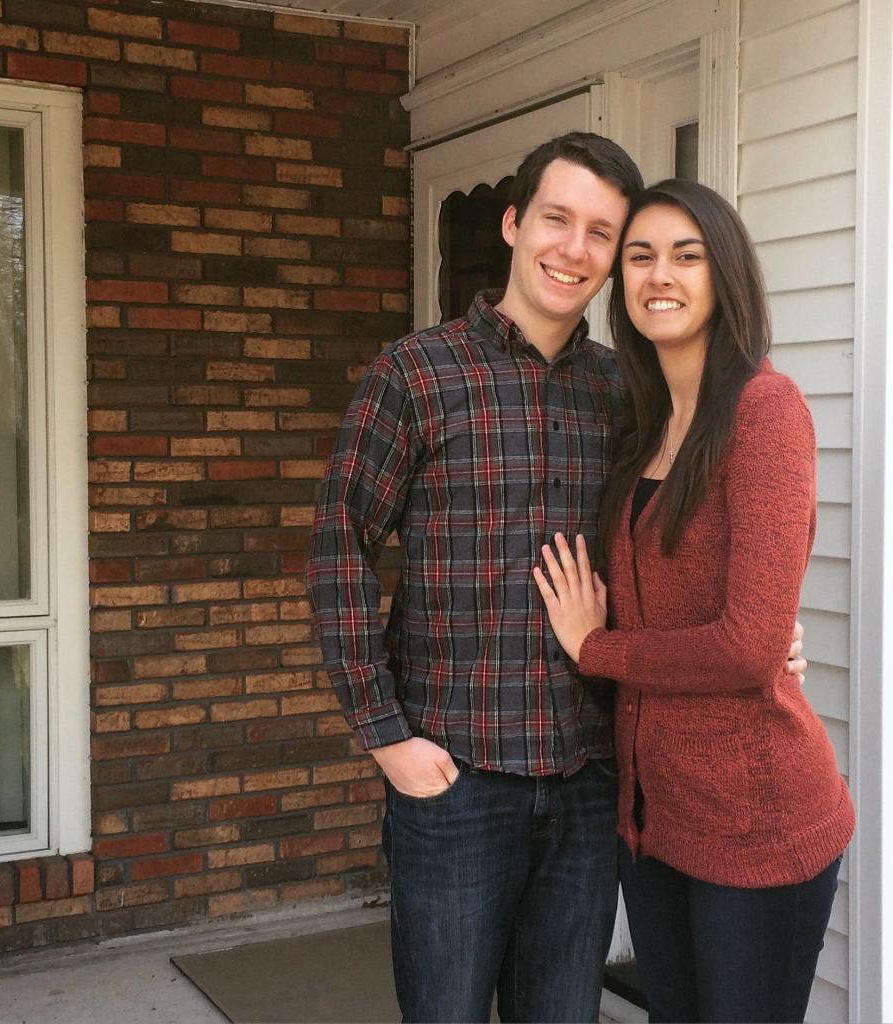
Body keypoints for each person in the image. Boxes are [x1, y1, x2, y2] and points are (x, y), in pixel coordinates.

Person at [306, 134, 806, 1024]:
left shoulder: (626, 393)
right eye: (556, 220)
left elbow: (672, 546)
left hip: (588, 779)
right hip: (455, 777)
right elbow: (338, 546)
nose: (574, 249)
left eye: (601, 233)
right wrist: (385, 735)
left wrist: (762, 637)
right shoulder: (416, 373)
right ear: (512, 222)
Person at [533, 178, 855, 1023]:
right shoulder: (644, 428)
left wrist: (593, 648)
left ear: (726, 277)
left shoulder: (764, 409)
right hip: (656, 824)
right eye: (639, 256)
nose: (658, 275)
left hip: (758, 823)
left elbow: (748, 647)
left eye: (686, 254)